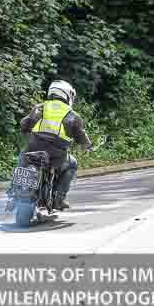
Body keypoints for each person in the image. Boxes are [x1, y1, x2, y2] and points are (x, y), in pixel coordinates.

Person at [18, 80, 92, 210]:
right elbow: (81, 136)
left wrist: (26, 129)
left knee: (23, 156)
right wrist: (87, 146)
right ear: (67, 95)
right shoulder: (72, 115)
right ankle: (58, 199)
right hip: (56, 156)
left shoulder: (40, 108)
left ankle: (14, 189)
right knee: (72, 164)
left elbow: (25, 125)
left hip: (33, 149)